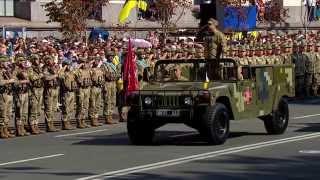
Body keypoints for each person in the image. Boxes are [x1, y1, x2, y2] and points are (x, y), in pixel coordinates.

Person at [13, 54, 31, 136]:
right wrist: (23, 81)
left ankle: (23, 128)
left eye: (23, 60)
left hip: (26, 92)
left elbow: (29, 79)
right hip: (19, 93)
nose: (23, 62)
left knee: (24, 112)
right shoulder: (15, 70)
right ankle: (18, 129)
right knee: (19, 112)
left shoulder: (25, 70)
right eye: (21, 60)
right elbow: (14, 82)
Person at [28, 54, 44, 134]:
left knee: (38, 110)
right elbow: (32, 78)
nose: (38, 61)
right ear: (33, 60)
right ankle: (32, 126)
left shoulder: (39, 69)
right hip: (33, 90)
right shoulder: (30, 69)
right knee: (33, 109)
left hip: (40, 89)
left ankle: (36, 125)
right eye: (37, 59)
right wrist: (39, 76)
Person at [43, 55, 60, 132]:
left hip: (55, 88)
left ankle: (52, 123)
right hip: (49, 90)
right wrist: (55, 75)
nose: (50, 61)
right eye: (48, 60)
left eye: (51, 60)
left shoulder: (54, 67)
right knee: (49, 108)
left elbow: (60, 74)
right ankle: (49, 125)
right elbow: (46, 78)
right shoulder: (45, 68)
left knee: (53, 108)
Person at [0, 55, 16, 138]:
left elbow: (14, 79)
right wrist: (9, 81)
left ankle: (5, 129)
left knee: (8, 113)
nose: (5, 63)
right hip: (2, 94)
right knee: (2, 113)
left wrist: (9, 72)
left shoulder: (6, 71)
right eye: (3, 62)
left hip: (9, 93)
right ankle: (1, 130)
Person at [59, 60, 76, 130]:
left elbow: (76, 72)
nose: (69, 66)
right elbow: (59, 75)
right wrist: (64, 67)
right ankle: (65, 123)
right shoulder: (63, 73)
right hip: (66, 93)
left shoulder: (71, 73)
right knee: (66, 108)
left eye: (70, 65)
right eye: (68, 65)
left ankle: (68, 122)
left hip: (72, 92)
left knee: (71, 108)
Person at [74, 57, 92, 128]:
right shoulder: (78, 71)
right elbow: (73, 72)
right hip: (81, 89)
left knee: (85, 105)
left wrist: (89, 65)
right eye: (83, 62)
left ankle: (83, 120)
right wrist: (79, 66)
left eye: (86, 62)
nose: (84, 64)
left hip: (87, 89)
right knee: (80, 105)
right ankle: (79, 121)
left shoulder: (88, 70)